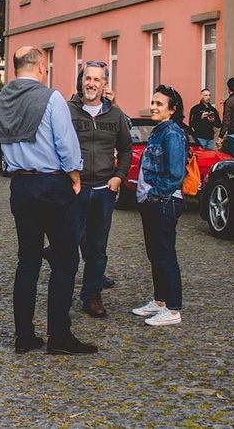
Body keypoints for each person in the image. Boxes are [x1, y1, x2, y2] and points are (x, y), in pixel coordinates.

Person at [0, 46, 96, 356]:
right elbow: (66, 144)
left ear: (15, 68)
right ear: (40, 67)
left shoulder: (2, 101)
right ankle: (59, 335)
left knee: (28, 261)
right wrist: (75, 176)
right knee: (65, 259)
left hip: (21, 185)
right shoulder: (51, 98)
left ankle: (24, 336)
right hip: (51, 185)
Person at [68, 61, 133, 318]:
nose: (91, 83)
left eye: (97, 79)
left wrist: (119, 177)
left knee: (97, 247)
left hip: (104, 190)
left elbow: (126, 149)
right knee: (68, 244)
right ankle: (62, 292)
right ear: (81, 81)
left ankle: (91, 296)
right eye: (88, 78)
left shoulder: (115, 115)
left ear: (105, 84)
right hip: (75, 189)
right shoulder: (68, 111)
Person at [131, 84, 187, 327]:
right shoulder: (158, 130)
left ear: (172, 110)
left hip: (164, 201)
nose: (153, 107)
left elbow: (175, 174)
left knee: (165, 255)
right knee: (155, 254)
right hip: (152, 201)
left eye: (159, 104)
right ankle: (160, 301)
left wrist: (154, 195)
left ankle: (173, 309)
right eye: (153, 102)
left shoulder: (172, 133)